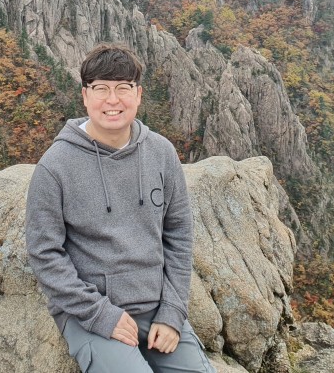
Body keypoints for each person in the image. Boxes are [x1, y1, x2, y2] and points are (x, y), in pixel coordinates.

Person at [25, 44, 214, 372]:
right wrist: (99, 314)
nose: (113, 100)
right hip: (90, 312)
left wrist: (171, 313)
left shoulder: (161, 153)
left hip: (156, 307)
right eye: (101, 89)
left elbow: (179, 236)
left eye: (123, 88)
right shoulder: (55, 167)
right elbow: (44, 254)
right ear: (85, 96)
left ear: (138, 94)